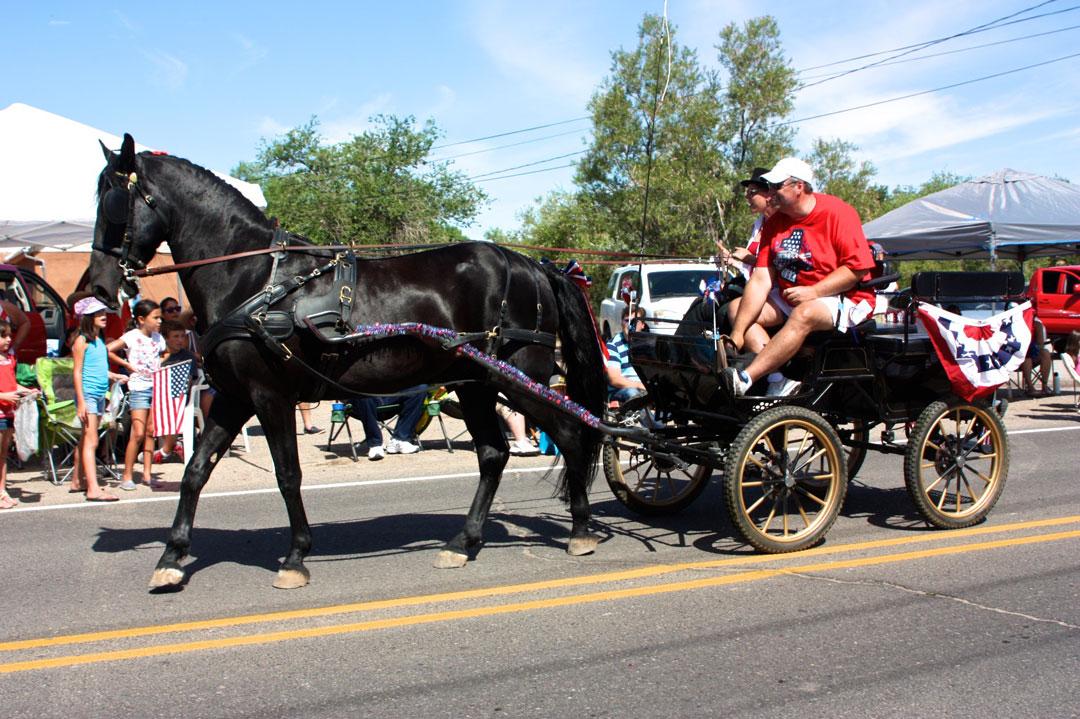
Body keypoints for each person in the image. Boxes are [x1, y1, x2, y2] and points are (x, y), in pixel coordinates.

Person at [724, 157, 876, 397]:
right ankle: (778, 380)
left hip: (844, 297)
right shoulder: (774, 223)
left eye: (776, 186)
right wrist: (737, 334)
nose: (770, 192)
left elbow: (855, 270)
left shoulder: (838, 213)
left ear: (799, 186)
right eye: (769, 187)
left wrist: (814, 292)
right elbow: (761, 278)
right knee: (737, 310)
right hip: (795, 295)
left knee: (804, 313)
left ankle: (746, 378)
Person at [69, 298, 123, 502]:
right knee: (91, 441)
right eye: (98, 313)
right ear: (87, 318)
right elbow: (77, 372)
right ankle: (93, 488)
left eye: (103, 313)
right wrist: (81, 401)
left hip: (99, 394)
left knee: (85, 439)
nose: (103, 316)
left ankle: (77, 480)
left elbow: (98, 368)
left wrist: (113, 376)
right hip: (89, 395)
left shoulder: (99, 341)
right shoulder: (82, 341)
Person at [108, 299, 164, 490]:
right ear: (141, 319)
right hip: (139, 388)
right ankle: (127, 475)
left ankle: (147, 474)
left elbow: (162, 355)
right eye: (155, 318)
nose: (159, 322)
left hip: (156, 386)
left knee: (151, 432)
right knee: (137, 433)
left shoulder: (158, 338)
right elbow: (109, 350)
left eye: (160, 318)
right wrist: (126, 365)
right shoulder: (132, 336)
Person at [0, 319, 39, 508]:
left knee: (3, 453)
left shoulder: (9, 359)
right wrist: (5, 395)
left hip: (8, 413)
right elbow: (5, 390)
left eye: (9, 335)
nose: (8, 339)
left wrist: (26, 390)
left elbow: (11, 383)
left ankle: (2, 490)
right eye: (3, 336)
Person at [152, 319, 197, 464]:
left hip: (180, 397)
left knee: (169, 409)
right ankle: (173, 446)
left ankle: (165, 450)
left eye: (182, 336)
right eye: (175, 337)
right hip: (159, 395)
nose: (180, 340)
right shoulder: (158, 357)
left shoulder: (188, 357)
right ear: (166, 339)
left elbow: (189, 381)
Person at [352, 388, 426, 460]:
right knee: (361, 392)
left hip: (389, 394)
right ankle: (375, 444)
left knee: (419, 389)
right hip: (363, 399)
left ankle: (400, 439)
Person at [605, 307, 647, 403]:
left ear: (642, 325)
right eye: (626, 321)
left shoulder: (646, 344)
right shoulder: (613, 345)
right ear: (621, 323)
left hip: (643, 388)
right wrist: (639, 385)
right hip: (621, 390)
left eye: (634, 321)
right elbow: (614, 379)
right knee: (634, 394)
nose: (629, 325)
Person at [1022, 315, 1053, 396]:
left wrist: (1037, 328)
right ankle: (1030, 388)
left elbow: (1041, 343)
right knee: (1026, 355)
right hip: (1018, 356)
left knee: (1045, 353)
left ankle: (1045, 386)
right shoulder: (1014, 322)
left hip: (1033, 352)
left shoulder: (1036, 322)